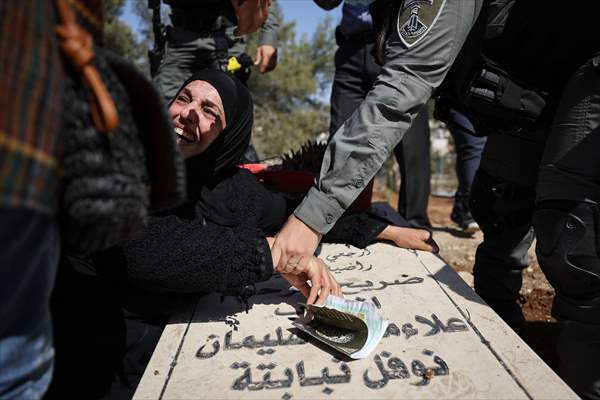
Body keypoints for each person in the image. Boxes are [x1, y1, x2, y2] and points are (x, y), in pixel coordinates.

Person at [274, 1, 600, 397]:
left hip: (588, 66)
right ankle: (500, 349)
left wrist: (311, 218)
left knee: (573, 235)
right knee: (499, 205)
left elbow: (401, 90)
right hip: (534, 84)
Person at [48, 69, 438, 399]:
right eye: (184, 98)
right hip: (97, 354)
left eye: (208, 111)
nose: (186, 115)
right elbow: (143, 249)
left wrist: (381, 229)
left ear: (228, 135)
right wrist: (273, 254)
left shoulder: (227, 188)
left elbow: (292, 213)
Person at [315, 0, 431, 227]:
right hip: (351, 50)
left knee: (411, 143)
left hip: (400, 43)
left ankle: (415, 225)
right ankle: (338, 221)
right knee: (340, 137)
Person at [153, 0, 279, 100]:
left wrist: (269, 37)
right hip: (179, 41)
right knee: (167, 111)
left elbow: (262, 3)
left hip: (224, 40)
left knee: (227, 107)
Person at [445, 109, 486, 233]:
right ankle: (469, 210)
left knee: (480, 147)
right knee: (474, 145)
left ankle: (461, 209)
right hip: (460, 99)